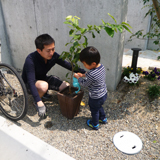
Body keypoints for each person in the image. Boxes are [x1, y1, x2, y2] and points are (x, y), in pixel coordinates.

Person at [22, 34, 86, 118]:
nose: (51, 53)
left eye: (53, 49)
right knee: (43, 86)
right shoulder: (30, 60)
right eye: (48, 50)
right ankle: (37, 99)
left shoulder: (53, 56)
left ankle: (43, 92)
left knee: (66, 86)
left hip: (43, 78)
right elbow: (30, 81)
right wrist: (39, 102)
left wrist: (85, 72)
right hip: (29, 85)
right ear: (39, 50)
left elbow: (69, 65)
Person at [74, 46, 107, 130]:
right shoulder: (101, 67)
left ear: (93, 64)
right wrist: (83, 75)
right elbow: (91, 74)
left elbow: (85, 84)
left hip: (95, 97)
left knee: (94, 110)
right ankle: (103, 118)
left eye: (85, 64)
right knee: (99, 107)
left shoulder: (91, 74)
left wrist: (78, 78)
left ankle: (95, 124)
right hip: (103, 94)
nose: (84, 66)